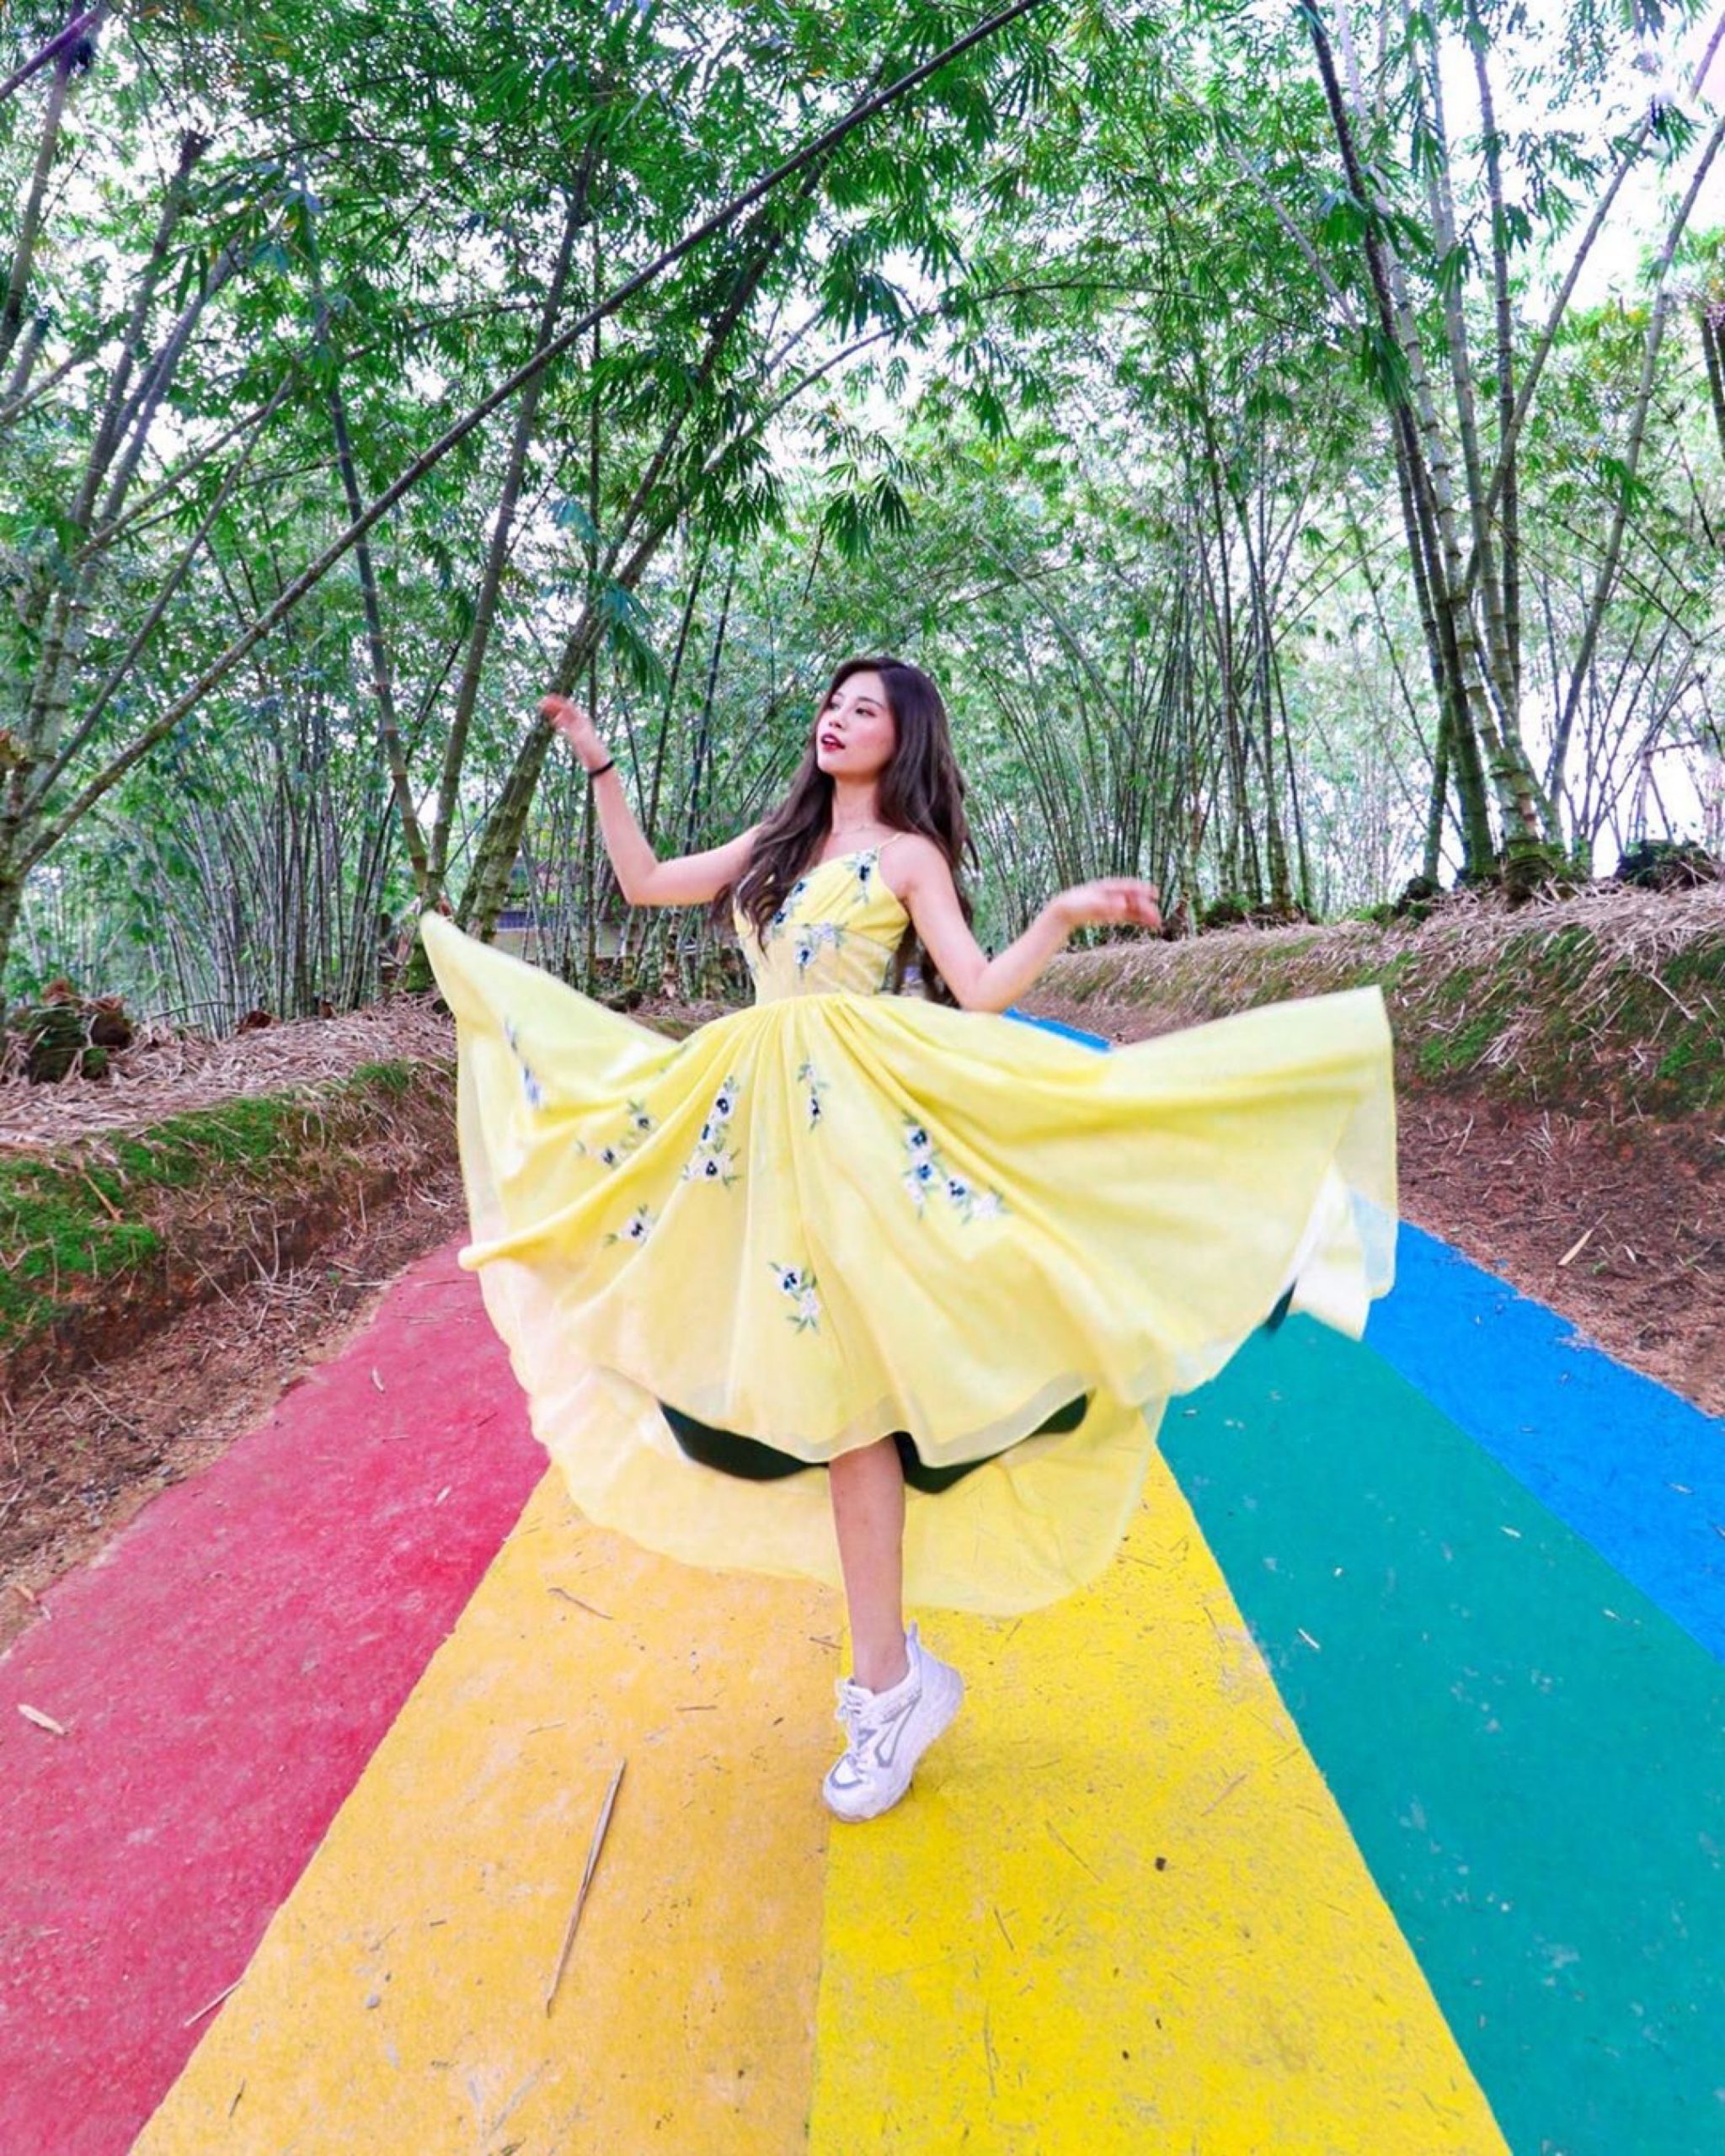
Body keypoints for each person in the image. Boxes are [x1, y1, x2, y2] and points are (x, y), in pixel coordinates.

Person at [419, 657, 1397, 1823]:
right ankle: (893, 1686)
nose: (836, 718)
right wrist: (600, 766)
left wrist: (1060, 916)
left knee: (871, 1386)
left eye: (864, 709)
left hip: (862, 1126)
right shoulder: (779, 844)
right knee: (829, 1398)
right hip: (758, 1125)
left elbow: (975, 990)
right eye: (832, 703)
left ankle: (887, 1689)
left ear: (904, 736)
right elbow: (644, 883)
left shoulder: (907, 857)